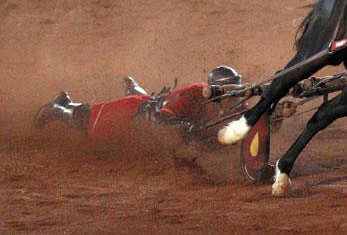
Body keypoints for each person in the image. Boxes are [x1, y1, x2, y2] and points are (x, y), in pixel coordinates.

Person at [33, 65, 243, 141]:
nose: (232, 96)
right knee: (85, 122)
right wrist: (189, 127)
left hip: (149, 105)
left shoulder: (232, 103)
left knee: (150, 101)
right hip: (133, 115)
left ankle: (133, 88)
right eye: (227, 92)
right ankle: (59, 107)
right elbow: (160, 118)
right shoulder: (193, 95)